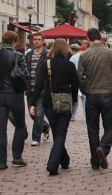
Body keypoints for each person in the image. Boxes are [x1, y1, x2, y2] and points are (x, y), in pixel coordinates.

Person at [77, 27, 112, 170]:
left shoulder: (84, 55)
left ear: (88, 39)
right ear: (100, 37)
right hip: (107, 95)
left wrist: (85, 90)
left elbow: (80, 76)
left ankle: (95, 161)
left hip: (91, 95)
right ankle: (103, 148)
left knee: (92, 128)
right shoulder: (111, 54)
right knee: (111, 127)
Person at [30, 38, 79, 175]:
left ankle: (64, 160)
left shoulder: (46, 64)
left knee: (57, 131)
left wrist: (33, 102)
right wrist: (73, 99)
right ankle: (52, 164)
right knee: (60, 132)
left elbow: (38, 85)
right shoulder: (69, 65)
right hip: (64, 101)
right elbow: (75, 85)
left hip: (49, 101)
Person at [0, 31, 29, 169]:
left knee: (1, 129)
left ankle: (1, 161)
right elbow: (25, 75)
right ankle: (17, 156)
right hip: (15, 94)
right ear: (15, 41)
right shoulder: (18, 56)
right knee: (20, 125)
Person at [24, 32, 51, 146]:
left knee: (39, 114)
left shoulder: (47, 54)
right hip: (30, 88)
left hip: (43, 89)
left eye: (39, 39)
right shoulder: (28, 55)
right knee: (33, 114)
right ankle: (45, 127)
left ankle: (36, 138)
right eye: (35, 39)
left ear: (43, 41)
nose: (36, 41)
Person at [69, 43, 85, 120]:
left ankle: (72, 116)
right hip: (85, 79)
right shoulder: (85, 55)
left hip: (75, 79)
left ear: (72, 50)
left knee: (74, 99)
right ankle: (87, 115)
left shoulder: (73, 57)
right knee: (85, 99)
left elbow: (70, 69)